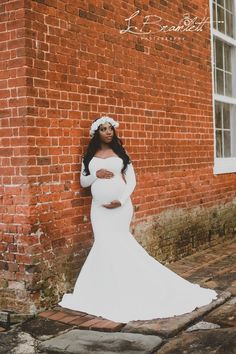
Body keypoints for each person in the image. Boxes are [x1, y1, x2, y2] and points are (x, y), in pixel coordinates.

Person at [58, 116, 218, 323]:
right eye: (103, 129)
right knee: (103, 244)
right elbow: (83, 181)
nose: (108, 132)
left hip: (121, 208)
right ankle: (104, 292)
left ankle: (133, 287)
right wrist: (96, 174)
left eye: (110, 129)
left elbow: (132, 181)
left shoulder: (121, 154)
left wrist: (121, 200)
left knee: (120, 244)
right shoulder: (89, 157)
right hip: (98, 210)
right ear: (96, 133)